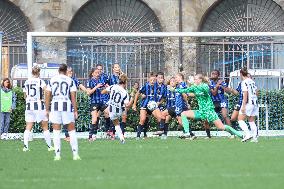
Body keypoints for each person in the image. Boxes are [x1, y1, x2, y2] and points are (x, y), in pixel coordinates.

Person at [174, 74, 243, 139]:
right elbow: (184, 90)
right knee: (183, 114)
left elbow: (206, 89)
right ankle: (187, 133)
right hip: (202, 112)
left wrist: (194, 86)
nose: (194, 80)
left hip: (209, 112)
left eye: (195, 79)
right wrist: (174, 89)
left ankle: (240, 135)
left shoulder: (204, 86)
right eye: (194, 79)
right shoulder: (195, 87)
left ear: (200, 80)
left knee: (221, 127)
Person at [45, 63, 80, 161]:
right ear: (65, 71)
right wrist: (75, 110)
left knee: (56, 131)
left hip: (55, 106)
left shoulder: (52, 80)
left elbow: (47, 94)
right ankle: (75, 154)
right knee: (71, 131)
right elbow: (73, 96)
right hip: (67, 106)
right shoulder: (70, 80)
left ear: (58, 71)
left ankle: (57, 155)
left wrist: (47, 109)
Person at [22, 66, 54, 151]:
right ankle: (49, 146)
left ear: (32, 73)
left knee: (28, 126)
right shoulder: (40, 81)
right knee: (45, 126)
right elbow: (47, 91)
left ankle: (25, 147)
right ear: (39, 73)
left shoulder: (26, 82)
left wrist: (29, 99)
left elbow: (24, 95)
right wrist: (45, 99)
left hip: (29, 106)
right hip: (39, 106)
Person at [132, 72, 164, 139]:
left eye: (154, 80)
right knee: (143, 119)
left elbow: (162, 96)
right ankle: (138, 135)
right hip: (144, 105)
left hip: (153, 106)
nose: (152, 81)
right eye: (151, 80)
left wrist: (158, 102)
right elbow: (137, 94)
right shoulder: (145, 86)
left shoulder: (157, 86)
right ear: (148, 79)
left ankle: (160, 133)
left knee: (160, 117)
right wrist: (134, 104)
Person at [101, 74, 131, 143]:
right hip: (119, 110)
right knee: (122, 114)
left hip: (112, 109)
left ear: (119, 80)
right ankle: (121, 138)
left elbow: (102, 92)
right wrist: (132, 98)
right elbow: (128, 105)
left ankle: (110, 131)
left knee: (116, 123)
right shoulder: (125, 92)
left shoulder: (113, 86)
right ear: (126, 82)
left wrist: (108, 90)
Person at [62, 66, 88, 142]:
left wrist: (87, 91)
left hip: (72, 102)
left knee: (72, 118)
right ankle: (67, 135)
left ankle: (70, 134)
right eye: (69, 71)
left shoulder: (74, 79)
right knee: (65, 118)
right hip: (63, 101)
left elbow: (81, 86)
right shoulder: (62, 79)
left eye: (71, 71)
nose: (71, 72)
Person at [87, 68, 109, 141]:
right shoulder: (90, 81)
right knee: (94, 119)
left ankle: (108, 131)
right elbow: (88, 93)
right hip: (94, 102)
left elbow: (104, 88)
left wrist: (107, 88)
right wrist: (96, 87)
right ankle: (91, 135)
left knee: (108, 112)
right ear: (92, 74)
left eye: (98, 73)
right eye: (96, 73)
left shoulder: (100, 80)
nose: (98, 74)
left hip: (101, 102)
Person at [238, 67, 258, 142]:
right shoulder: (252, 81)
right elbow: (256, 92)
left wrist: (243, 106)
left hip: (249, 103)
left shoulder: (244, 82)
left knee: (240, 119)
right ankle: (255, 138)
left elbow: (245, 94)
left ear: (241, 74)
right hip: (255, 103)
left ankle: (247, 134)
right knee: (251, 121)